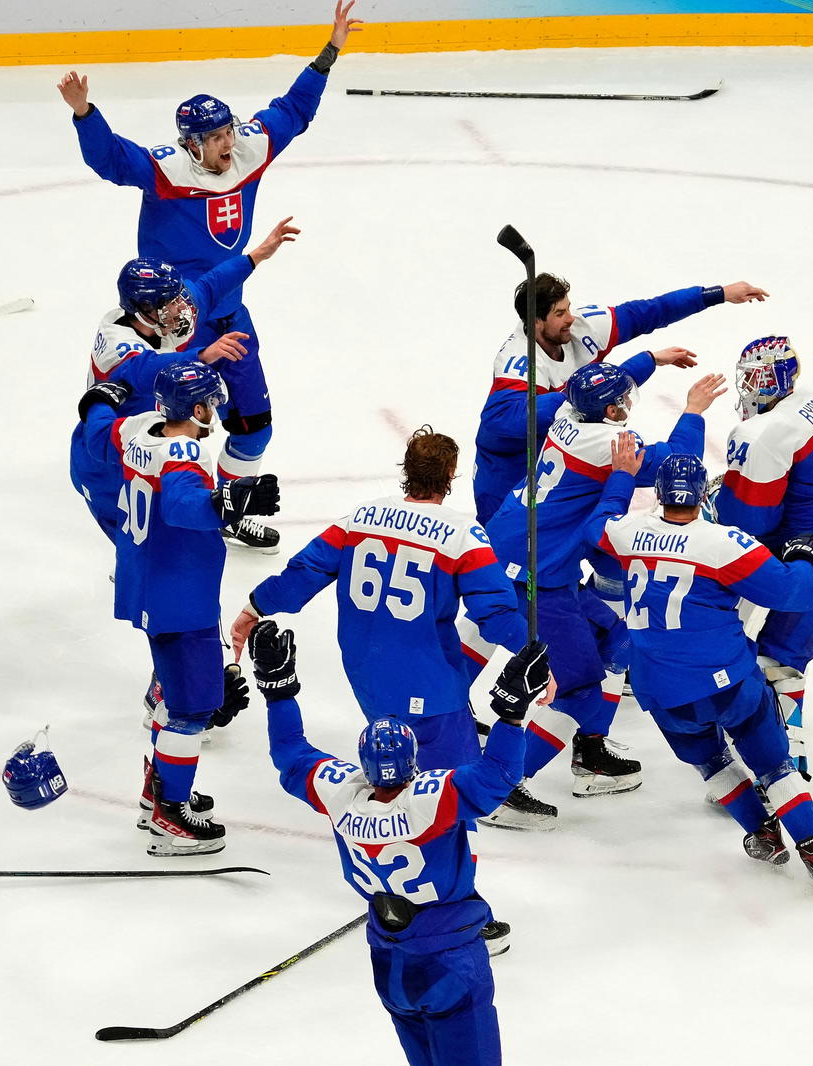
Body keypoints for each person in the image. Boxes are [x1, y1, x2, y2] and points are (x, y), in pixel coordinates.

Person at [57, 1, 364, 551]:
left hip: (226, 309)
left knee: (255, 424)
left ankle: (230, 507)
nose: (228, 143)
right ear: (191, 143)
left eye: (228, 131)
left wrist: (331, 49)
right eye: (215, 136)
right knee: (150, 430)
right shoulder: (167, 169)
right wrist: (85, 114)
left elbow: (293, 110)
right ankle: (140, 525)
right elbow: (111, 159)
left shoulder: (248, 149)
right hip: (170, 321)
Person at [248, 619, 550, 1065]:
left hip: (389, 963)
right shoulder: (429, 801)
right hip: (449, 959)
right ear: (412, 761)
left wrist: (278, 692)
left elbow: (290, 754)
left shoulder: (341, 794)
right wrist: (511, 715)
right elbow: (497, 778)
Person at [470, 363, 727, 830]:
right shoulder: (604, 443)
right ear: (608, 409)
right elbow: (675, 463)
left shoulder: (570, 412)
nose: (627, 406)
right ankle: (500, 788)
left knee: (615, 637)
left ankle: (590, 755)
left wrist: (649, 358)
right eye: (621, 401)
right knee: (582, 688)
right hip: (535, 574)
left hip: (522, 550)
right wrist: (692, 410)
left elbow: (590, 390)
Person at [588, 453, 813, 885]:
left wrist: (620, 477)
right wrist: (802, 558)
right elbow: (791, 594)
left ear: (660, 495)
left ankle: (762, 834)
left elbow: (599, 524)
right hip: (728, 680)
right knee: (775, 765)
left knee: (713, 763)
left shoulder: (627, 532)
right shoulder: (723, 542)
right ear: (704, 493)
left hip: (662, 690)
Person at [228, 427, 526, 770]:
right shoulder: (462, 535)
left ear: (406, 470)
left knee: (393, 773)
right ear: (449, 475)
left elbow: (300, 576)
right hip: (430, 687)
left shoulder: (359, 519)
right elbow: (496, 615)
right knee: (450, 796)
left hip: (368, 678)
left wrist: (255, 606)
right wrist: (535, 657)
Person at [79, 361, 279, 855]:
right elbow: (183, 506)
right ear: (195, 408)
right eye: (210, 400)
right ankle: (170, 814)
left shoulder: (138, 429)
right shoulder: (184, 453)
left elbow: (95, 427)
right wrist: (234, 500)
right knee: (190, 712)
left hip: (145, 582)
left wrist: (101, 396)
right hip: (179, 595)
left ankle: (159, 791)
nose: (215, 407)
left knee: (174, 696)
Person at [69, 216, 299, 551]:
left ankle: (223, 516)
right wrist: (203, 354)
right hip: (109, 452)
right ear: (144, 309)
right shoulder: (117, 341)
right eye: (170, 302)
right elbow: (143, 370)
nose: (181, 307)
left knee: (172, 523)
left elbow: (209, 285)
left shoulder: (166, 316)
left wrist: (256, 256)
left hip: (149, 436)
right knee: (142, 547)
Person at [471, 271, 768, 526]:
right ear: (536, 322)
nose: (571, 319)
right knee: (503, 548)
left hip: (560, 449)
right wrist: (573, 398)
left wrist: (718, 294)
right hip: (509, 466)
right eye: (560, 314)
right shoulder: (517, 363)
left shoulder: (583, 327)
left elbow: (650, 311)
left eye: (568, 308)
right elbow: (501, 422)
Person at [710, 336, 813, 777]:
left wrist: (716, 502)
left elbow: (748, 524)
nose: (745, 387)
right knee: (769, 658)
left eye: (751, 377)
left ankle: (783, 774)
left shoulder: (761, 432)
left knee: (775, 666)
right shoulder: (811, 403)